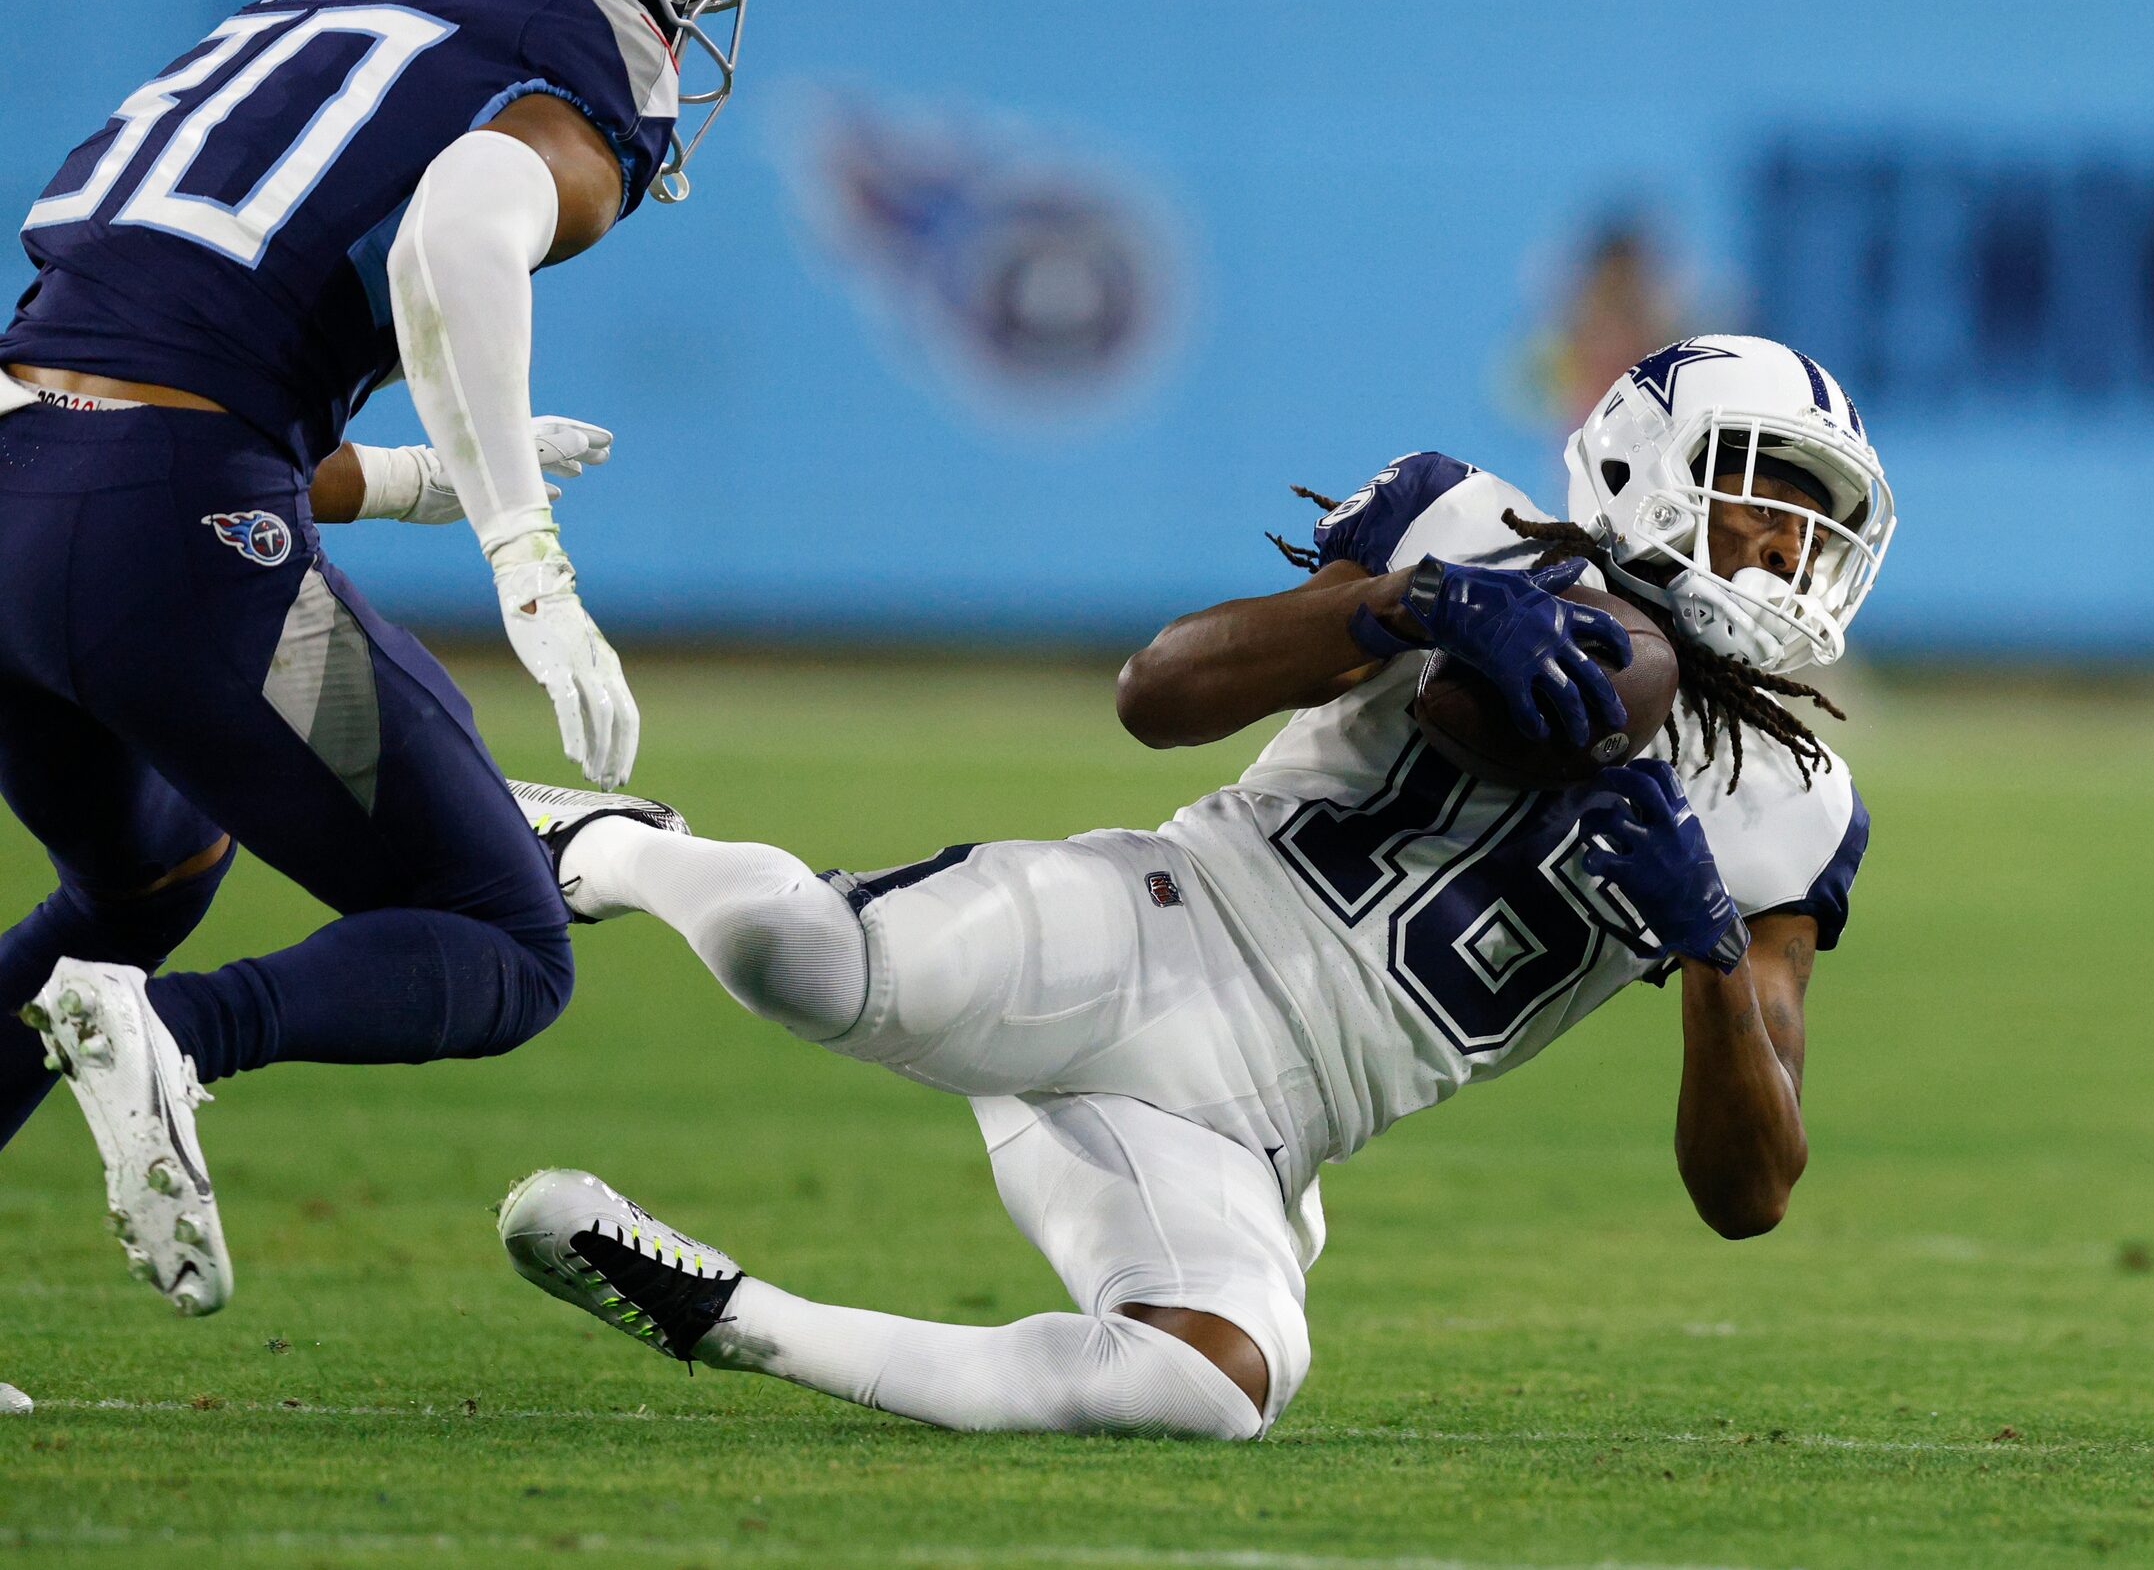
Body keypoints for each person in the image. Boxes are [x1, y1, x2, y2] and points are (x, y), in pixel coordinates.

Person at [497, 334, 1889, 1440]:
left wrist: (1706, 947)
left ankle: (733, 1314)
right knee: (787, 953)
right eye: (1760, 499)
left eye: (1811, 528)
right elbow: (1154, 697)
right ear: (1648, 466)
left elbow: (1748, 1190)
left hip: (1259, 1134)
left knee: (1217, 1384)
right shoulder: (1462, 523)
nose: (1784, 551)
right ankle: (611, 845)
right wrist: (1395, 606)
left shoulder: (1793, 806)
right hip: (1156, 925)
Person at [0, 0, 745, 1318]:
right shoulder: (550, 42)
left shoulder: (277, 15)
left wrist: (404, 476)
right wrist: (524, 557)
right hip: (167, 525)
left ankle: (136, 986)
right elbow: (460, 230)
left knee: (146, 872)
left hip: (23, 479)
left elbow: (144, 342)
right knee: (506, 936)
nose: (675, 28)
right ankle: (176, 1037)